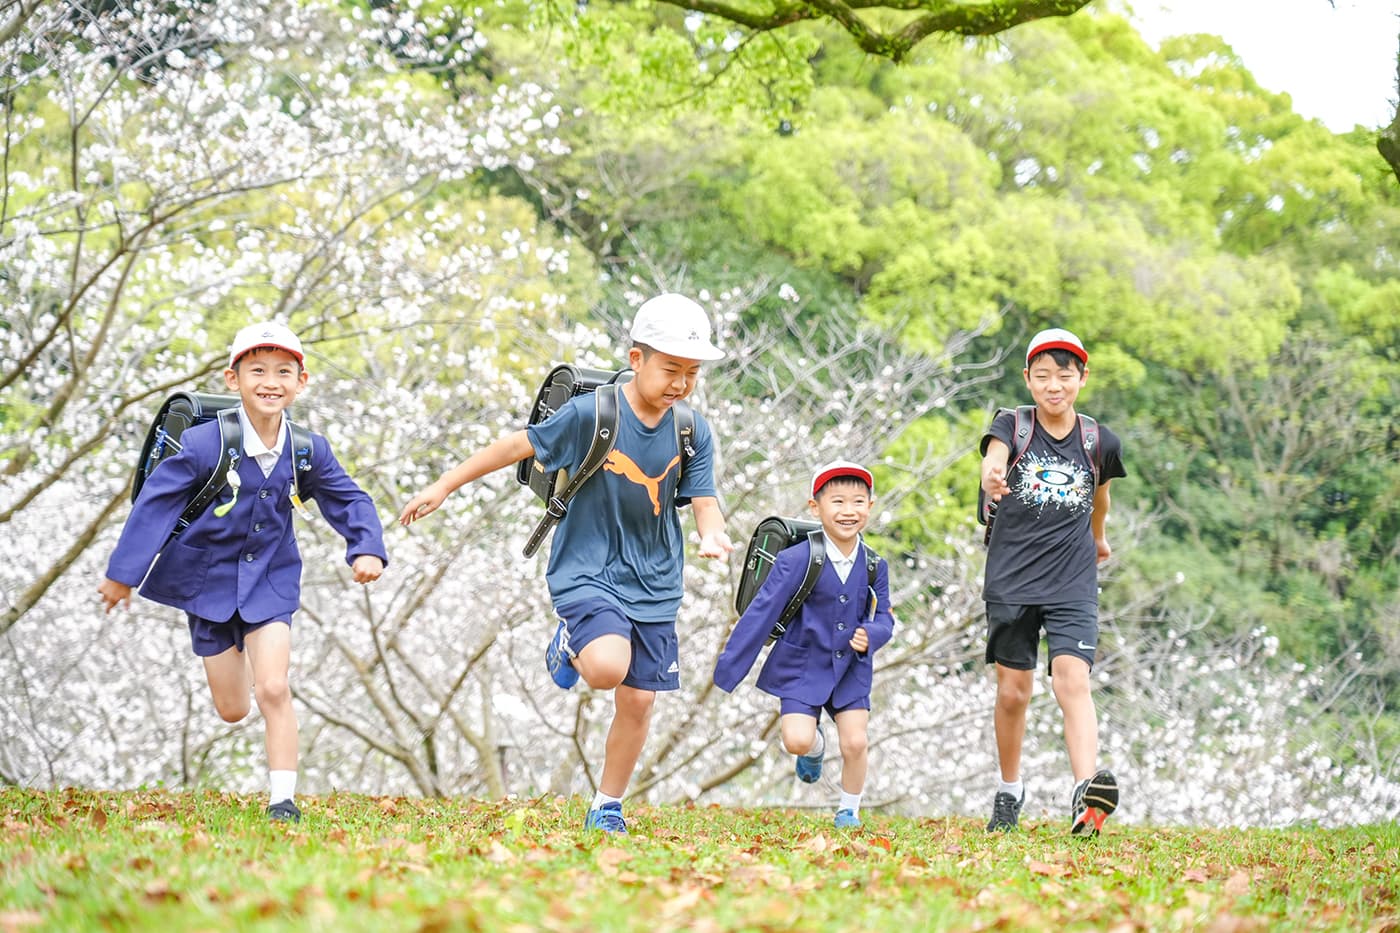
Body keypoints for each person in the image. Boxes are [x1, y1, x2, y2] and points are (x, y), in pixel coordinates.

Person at [398, 293, 734, 834]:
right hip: (588, 565)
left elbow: (703, 498)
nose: (681, 383)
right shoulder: (592, 413)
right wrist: (444, 485)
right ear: (636, 359)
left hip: (656, 577)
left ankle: (607, 805)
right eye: (671, 369)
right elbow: (515, 448)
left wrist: (713, 535)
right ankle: (570, 639)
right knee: (605, 667)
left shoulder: (692, 430)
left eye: (692, 373)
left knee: (640, 701)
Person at [99, 321, 387, 823]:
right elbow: (155, 506)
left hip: (271, 580)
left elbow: (349, 498)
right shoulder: (204, 445)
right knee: (233, 709)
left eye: (284, 371)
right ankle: (240, 648)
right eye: (257, 371)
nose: (270, 381)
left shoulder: (306, 450)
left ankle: (283, 802)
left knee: (273, 688)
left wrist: (366, 548)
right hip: (206, 583)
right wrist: (123, 573)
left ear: (302, 381)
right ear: (233, 380)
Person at [979, 327, 1126, 836]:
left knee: (1073, 680)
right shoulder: (1011, 425)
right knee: (1013, 693)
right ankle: (1009, 789)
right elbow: (992, 462)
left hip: (1072, 579)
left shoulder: (1098, 441)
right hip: (1012, 579)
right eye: (1042, 376)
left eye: (1064, 375)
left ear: (1082, 378)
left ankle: (1087, 795)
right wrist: (992, 478)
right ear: (1028, 379)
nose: (1053, 385)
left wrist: (1099, 538)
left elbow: (1099, 496)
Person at [714, 460, 895, 830]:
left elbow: (886, 617)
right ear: (815, 507)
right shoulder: (796, 559)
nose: (848, 511)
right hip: (802, 663)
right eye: (838, 501)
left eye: (858, 502)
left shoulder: (875, 565)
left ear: (870, 508)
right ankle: (814, 747)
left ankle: (849, 810)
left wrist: (873, 635)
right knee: (797, 740)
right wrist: (730, 667)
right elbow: (761, 613)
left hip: (851, 667)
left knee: (856, 743)